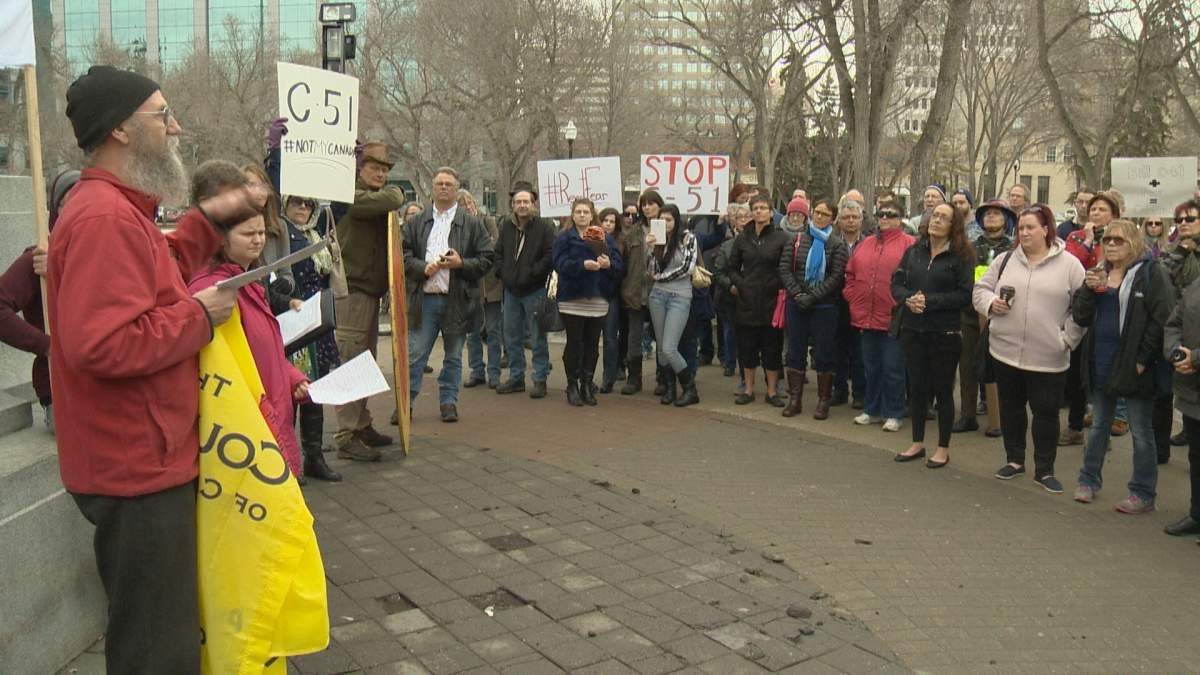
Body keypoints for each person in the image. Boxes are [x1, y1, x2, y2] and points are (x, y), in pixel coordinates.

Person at [48, 65, 263, 674]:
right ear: (120, 129)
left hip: (143, 455)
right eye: (161, 115)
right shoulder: (103, 218)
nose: (175, 127)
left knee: (159, 627)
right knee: (155, 645)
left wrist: (220, 212)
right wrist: (200, 317)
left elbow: (156, 268)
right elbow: (103, 344)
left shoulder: (120, 211)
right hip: (133, 464)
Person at [188, 212, 310, 479]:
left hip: (270, 415)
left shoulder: (248, 281)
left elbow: (264, 350)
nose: (258, 241)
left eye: (261, 233)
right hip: (248, 428)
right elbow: (224, 365)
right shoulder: (216, 291)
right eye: (248, 234)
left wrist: (293, 378)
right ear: (220, 239)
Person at [974, 204, 1085, 493]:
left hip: (1048, 357)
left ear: (1046, 229)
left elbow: (1083, 308)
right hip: (1005, 351)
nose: (1024, 232)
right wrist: (990, 304)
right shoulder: (1005, 260)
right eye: (1021, 228)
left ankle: (1045, 470)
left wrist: (1067, 338)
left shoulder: (1070, 265)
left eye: (1030, 227)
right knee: (1011, 409)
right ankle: (1014, 460)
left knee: (1046, 414)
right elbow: (979, 290)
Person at [1069, 219, 1171, 512]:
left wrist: (1143, 360)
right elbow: (1080, 316)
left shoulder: (1150, 274)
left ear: (1134, 244)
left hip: (1134, 365)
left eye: (1119, 240)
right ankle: (1088, 480)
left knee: (1140, 431)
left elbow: (1161, 319)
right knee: (1099, 425)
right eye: (1107, 240)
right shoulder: (1098, 273)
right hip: (1101, 361)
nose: (1111, 244)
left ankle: (1143, 492)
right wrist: (1088, 290)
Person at [402, 167, 496, 422]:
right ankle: (405, 404)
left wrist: (461, 264)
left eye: (448, 184)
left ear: (456, 190)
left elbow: (487, 259)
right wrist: (424, 268)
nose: (443, 188)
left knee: (454, 356)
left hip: (458, 300)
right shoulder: (416, 222)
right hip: (425, 300)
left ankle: (448, 402)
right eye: (439, 183)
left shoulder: (473, 223)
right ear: (433, 188)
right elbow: (403, 257)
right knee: (416, 356)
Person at [333, 142, 406, 458]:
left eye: (385, 169)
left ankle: (361, 424)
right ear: (359, 168)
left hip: (368, 291)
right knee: (350, 361)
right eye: (375, 167)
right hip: (352, 291)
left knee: (364, 362)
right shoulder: (349, 195)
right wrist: (394, 193)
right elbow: (395, 196)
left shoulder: (372, 198)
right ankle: (345, 435)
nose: (381, 173)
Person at [891, 202, 975, 467]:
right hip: (913, 330)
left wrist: (929, 301)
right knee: (916, 389)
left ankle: (942, 447)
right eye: (934, 215)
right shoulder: (914, 251)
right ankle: (917, 442)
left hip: (944, 333)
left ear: (954, 225)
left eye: (944, 217)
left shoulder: (961, 256)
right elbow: (896, 283)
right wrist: (908, 300)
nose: (936, 220)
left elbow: (964, 295)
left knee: (942, 390)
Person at [0, 169, 78, 433]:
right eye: (69, 203)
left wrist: (60, 268)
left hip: (106, 381)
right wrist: (46, 346)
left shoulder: (107, 254)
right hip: (60, 386)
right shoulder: (35, 259)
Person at [277, 193, 343, 482]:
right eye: (296, 203)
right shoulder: (279, 235)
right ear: (285, 205)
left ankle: (314, 458)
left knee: (316, 391)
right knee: (293, 391)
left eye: (308, 204)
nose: (303, 208)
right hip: (292, 318)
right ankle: (289, 460)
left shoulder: (317, 234)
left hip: (318, 322)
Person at [844, 198, 915, 431]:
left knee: (893, 368)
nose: (885, 218)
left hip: (894, 318)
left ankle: (894, 411)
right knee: (871, 366)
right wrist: (852, 297)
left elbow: (915, 280)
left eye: (891, 214)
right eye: (881, 214)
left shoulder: (909, 245)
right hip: (865, 316)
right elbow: (850, 274)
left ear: (901, 218)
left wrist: (903, 304)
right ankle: (872, 409)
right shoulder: (865, 244)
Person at [1064, 190, 1128, 439]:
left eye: (1102, 210)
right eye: (1093, 209)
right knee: (1077, 369)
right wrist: (1088, 240)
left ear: (1114, 215)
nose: (1096, 213)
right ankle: (1076, 424)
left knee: (1107, 366)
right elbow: (1071, 264)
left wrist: (1104, 243)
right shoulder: (1076, 236)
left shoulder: (1118, 240)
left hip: (1110, 309)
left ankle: (1110, 419)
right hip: (1081, 306)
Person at [779, 198, 848, 419]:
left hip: (824, 306)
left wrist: (813, 296)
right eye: (816, 212)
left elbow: (837, 276)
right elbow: (785, 268)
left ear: (833, 218)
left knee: (824, 353)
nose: (818, 217)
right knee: (795, 352)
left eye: (824, 214)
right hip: (796, 302)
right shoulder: (797, 238)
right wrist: (798, 294)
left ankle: (823, 401)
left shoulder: (837, 244)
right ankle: (795, 399)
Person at [552, 197, 624, 406]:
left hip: (598, 298)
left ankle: (587, 383)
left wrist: (608, 263)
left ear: (592, 215)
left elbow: (619, 266)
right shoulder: (564, 237)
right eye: (578, 212)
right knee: (574, 342)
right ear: (572, 215)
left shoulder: (605, 238)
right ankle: (572, 385)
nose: (582, 215)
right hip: (572, 298)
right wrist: (582, 265)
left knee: (592, 344)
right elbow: (559, 263)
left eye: (585, 212)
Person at [955, 200, 1014, 436]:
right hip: (970, 312)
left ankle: (1000, 418)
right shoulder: (968, 247)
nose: (991, 217)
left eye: (996, 214)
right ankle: (968, 415)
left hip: (1002, 315)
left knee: (1001, 368)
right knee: (967, 364)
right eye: (987, 214)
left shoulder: (1013, 249)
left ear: (1006, 219)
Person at [493, 181, 555, 397]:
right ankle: (516, 377)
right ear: (513, 204)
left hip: (534, 290)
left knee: (537, 337)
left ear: (533, 203)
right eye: (518, 202)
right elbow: (498, 253)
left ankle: (539, 379)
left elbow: (550, 255)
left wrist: (533, 273)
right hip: (510, 291)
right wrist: (503, 273)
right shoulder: (506, 226)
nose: (522, 205)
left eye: (526, 201)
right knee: (511, 336)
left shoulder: (545, 226)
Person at [729, 194, 790, 406]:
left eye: (763, 208)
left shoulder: (781, 238)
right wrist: (741, 284)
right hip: (747, 302)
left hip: (772, 302)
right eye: (755, 208)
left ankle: (772, 392)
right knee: (747, 349)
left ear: (771, 212)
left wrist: (779, 287)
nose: (759, 211)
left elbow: (787, 268)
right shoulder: (742, 238)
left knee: (772, 349)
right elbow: (732, 267)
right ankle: (748, 389)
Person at [646, 203, 699, 406]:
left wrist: (662, 277)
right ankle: (669, 387)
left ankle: (690, 389)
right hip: (657, 295)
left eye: (669, 220)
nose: (666, 224)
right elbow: (651, 269)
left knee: (669, 347)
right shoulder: (657, 239)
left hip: (680, 296)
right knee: (661, 347)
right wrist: (650, 249)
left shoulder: (688, 238)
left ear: (676, 220)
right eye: (662, 220)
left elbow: (687, 267)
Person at [1162, 272, 1200, 539]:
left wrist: (1196, 358)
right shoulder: (1196, 284)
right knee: (1196, 457)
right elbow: (1173, 322)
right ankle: (1197, 514)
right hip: (1192, 391)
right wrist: (1176, 352)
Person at [460, 189, 504, 389]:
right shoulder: (457, 227)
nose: (467, 207)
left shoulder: (488, 222)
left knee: (494, 331)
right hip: (469, 286)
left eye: (469, 203)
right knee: (472, 332)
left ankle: (494, 373)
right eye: (462, 205)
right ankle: (477, 370)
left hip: (491, 285)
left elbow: (493, 248)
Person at [627, 190, 665, 395]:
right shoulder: (633, 231)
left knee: (661, 337)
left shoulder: (667, 228)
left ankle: (662, 378)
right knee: (634, 337)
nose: (648, 207)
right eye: (644, 204)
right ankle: (634, 378)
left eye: (652, 204)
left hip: (659, 290)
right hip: (635, 291)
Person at [832, 200, 868, 408]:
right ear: (839, 221)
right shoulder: (832, 242)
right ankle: (839, 390)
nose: (851, 221)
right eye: (846, 217)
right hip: (836, 302)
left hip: (861, 304)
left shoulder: (869, 243)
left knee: (860, 351)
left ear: (861, 221)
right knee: (838, 349)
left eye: (855, 217)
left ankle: (860, 393)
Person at [713, 203, 749, 380]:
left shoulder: (759, 244)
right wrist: (730, 286)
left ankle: (747, 365)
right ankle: (729, 362)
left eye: (746, 217)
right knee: (729, 331)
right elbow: (718, 271)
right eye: (740, 218)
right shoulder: (727, 246)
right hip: (730, 296)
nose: (743, 221)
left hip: (752, 296)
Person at [598, 207, 627, 392]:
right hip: (592, 294)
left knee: (610, 338)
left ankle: (608, 378)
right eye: (605, 220)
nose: (608, 224)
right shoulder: (590, 238)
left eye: (612, 221)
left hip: (612, 295)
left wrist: (610, 266)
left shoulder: (621, 242)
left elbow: (622, 270)